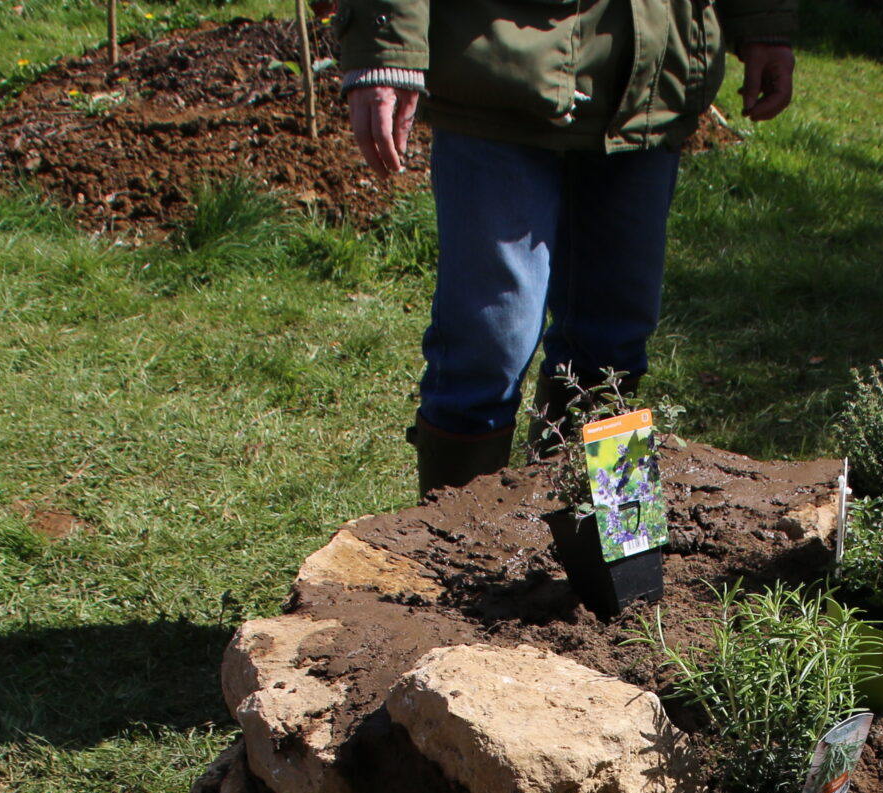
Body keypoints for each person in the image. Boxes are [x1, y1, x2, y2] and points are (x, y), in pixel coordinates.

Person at [337, 0, 796, 498]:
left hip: (650, 82)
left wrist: (764, 22)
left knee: (615, 350)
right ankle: (457, 564)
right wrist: (385, 42)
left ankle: (616, 558)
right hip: (497, 69)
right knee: (488, 350)